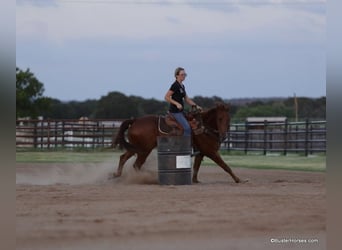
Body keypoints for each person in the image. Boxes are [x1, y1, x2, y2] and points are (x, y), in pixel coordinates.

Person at [164, 67, 202, 141]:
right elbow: (166, 97)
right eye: (182, 74)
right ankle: (184, 148)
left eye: (185, 75)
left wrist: (196, 106)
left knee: (194, 123)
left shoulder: (182, 86)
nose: (183, 76)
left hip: (181, 111)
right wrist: (177, 104)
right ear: (176, 75)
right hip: (175, 112)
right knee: (187, 128)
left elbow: (187, 99)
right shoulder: (175, 85)